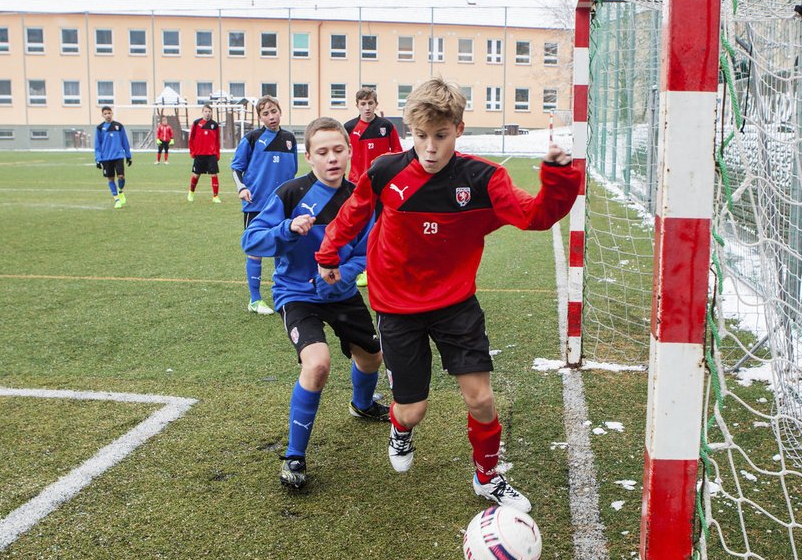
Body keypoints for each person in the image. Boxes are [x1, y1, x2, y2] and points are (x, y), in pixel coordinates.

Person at [315, 78, 581, 512]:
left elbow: (535, 216)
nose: (431, 148)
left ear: (459, 128)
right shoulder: (385, 171)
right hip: (397, 306)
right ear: (409, 132)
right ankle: (400, 430)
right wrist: (328, 254)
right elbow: (353, 213)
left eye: (441, 136)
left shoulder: (483, 178)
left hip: (455, 303)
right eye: (421, 137)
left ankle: (488, 477)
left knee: (481, 398)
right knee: (412, 409)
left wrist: (558, 176)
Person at [242, 117, 389, 489]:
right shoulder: (290, 194)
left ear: (349, 152)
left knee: (372, 357)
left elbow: (367, 250)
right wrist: (285, 230)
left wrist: (343, 270)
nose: (332, 158)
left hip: (339, 292)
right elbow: (251, 241)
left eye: (338, 150)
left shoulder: (361, 198)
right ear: (308, 157)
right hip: (297, 294)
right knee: (318, 363)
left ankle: (362, 404)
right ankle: (295, 455)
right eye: (322, 152)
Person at [231, 96, 298, 315]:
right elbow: (236, 167)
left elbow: (293, 171)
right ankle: (255, 299)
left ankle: (282, 293)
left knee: (282, 248)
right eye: (266, 113)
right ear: (260, 117)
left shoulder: (290, 139)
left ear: (281, 111)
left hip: (281, 205)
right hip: (256, 205)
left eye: (274, 111)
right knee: (256, 251)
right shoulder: (252, 138)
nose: (271, 117)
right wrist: (242, 188)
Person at [343, 87, 403, 288]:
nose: (367, 107)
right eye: (363, 104)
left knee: (382, 227)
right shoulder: (349, 127)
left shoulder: (386, 126)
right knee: (357, 227)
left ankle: (376, 269)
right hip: (357, 186)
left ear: (376, 104)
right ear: (357, 105)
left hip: (383, 186)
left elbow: (397, 154)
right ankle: (357, 267)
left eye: (370, 103)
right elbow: (342, 154)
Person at [94, 106, 132, 209]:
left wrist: (128, 155)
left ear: (112, 113)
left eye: (109, 113)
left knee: (121, 176)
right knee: (110, 179)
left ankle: (120, 191)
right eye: (105, 113)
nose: (108, 115)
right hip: (106, 158)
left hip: (118, 156)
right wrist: (98, 159)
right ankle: (117, 200)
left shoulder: (119, 126)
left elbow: (125, 141)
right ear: (102, 115)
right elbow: (97, 145)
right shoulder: (99, 128)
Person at [187, 104, 221, 203]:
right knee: (196, 175)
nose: (208, 113)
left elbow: (217, 141)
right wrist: (192, 151)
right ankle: (191, 192)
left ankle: (215, 196)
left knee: (214, 175)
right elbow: (191, 138)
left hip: (211, 154)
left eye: (209, 111)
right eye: (206, 111)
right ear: (202, 112)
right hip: (199, 154)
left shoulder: (215, 125)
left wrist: (217, 153)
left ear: (211, 113)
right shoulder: (197, 123)